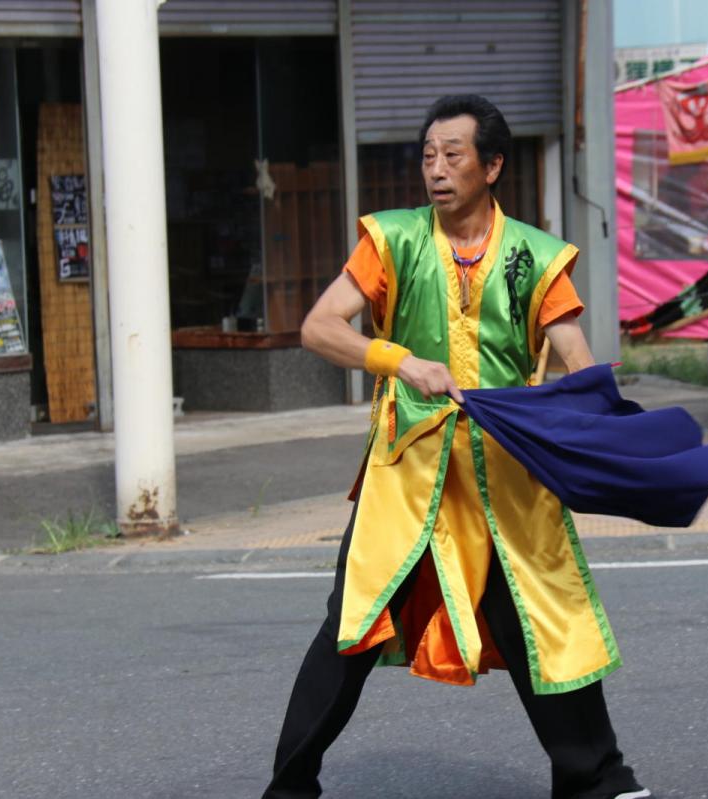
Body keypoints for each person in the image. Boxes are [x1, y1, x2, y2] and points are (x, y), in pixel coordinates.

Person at [263, 95, 650, 799]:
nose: (436, 170)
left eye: (454, 155)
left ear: (492, 165)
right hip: (406, 474)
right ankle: (289, 789)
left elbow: (578, 361)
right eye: (428, 155)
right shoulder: (394, 240)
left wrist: (605, 431)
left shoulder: (534, 254)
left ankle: (598, 779)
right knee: (352, 625)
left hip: (505, 474)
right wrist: (398, 359)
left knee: (545, 616)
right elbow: (320, 327)